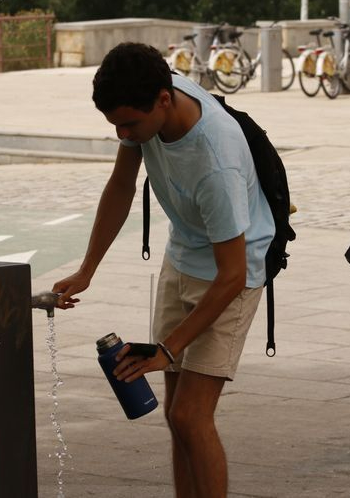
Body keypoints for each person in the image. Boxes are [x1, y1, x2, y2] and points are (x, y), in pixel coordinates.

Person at [52, 42, 274, 497]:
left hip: (234, 273)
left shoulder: (216, 158)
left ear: (164, 99)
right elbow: (121, 184)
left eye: (130, 123)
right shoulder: (145, 106)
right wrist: (87, 269)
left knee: (192, 415)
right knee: (177, 414)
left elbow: (231, 274)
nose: (125, 134)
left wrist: (168, 349)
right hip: (184, 253)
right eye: (116, 125)